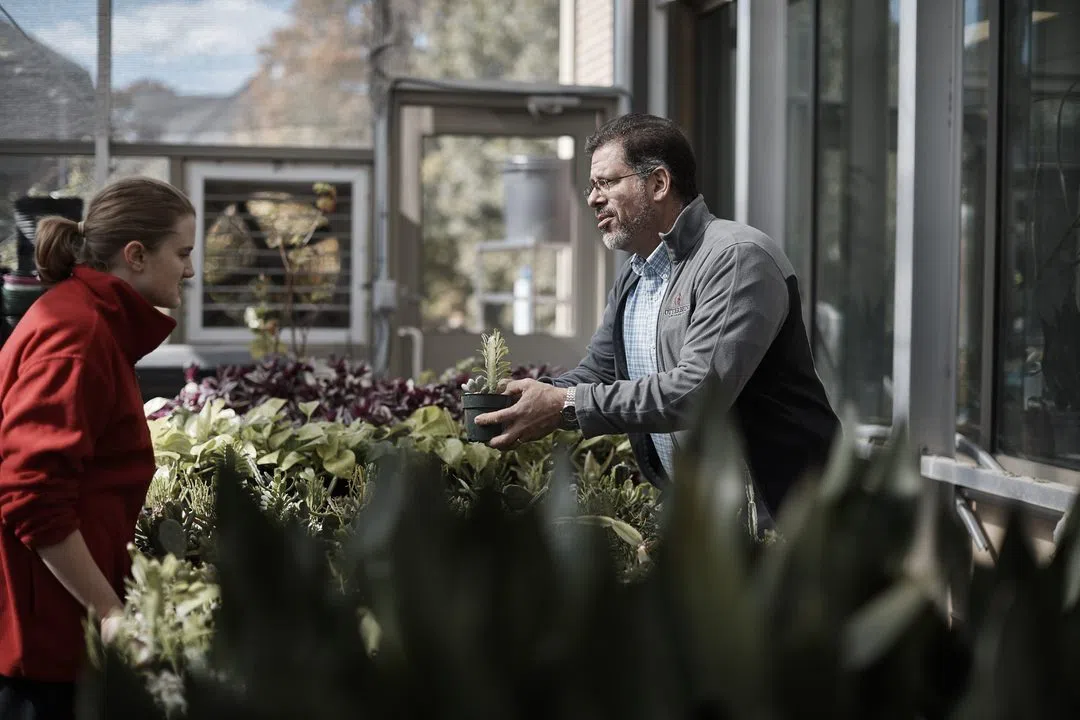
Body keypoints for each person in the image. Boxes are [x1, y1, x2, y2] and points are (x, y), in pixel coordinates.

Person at [476, 113, 840, 515]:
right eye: (592, 186)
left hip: (792, 519)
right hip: (708, 519)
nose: (592, 198)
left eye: (606, 182)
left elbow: (697, 393)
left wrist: (565, 404)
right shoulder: (634, 279)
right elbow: (599, 373)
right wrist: (527, 397)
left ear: (659, 184)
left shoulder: (735, 258)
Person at [0, 177, 195, 718]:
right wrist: (110, 614)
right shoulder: (77, 336)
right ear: (135, 255)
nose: (191, 271)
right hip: (42, 642)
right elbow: (31, 495)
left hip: (51, 627)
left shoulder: (85, 322)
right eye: (182, 253)